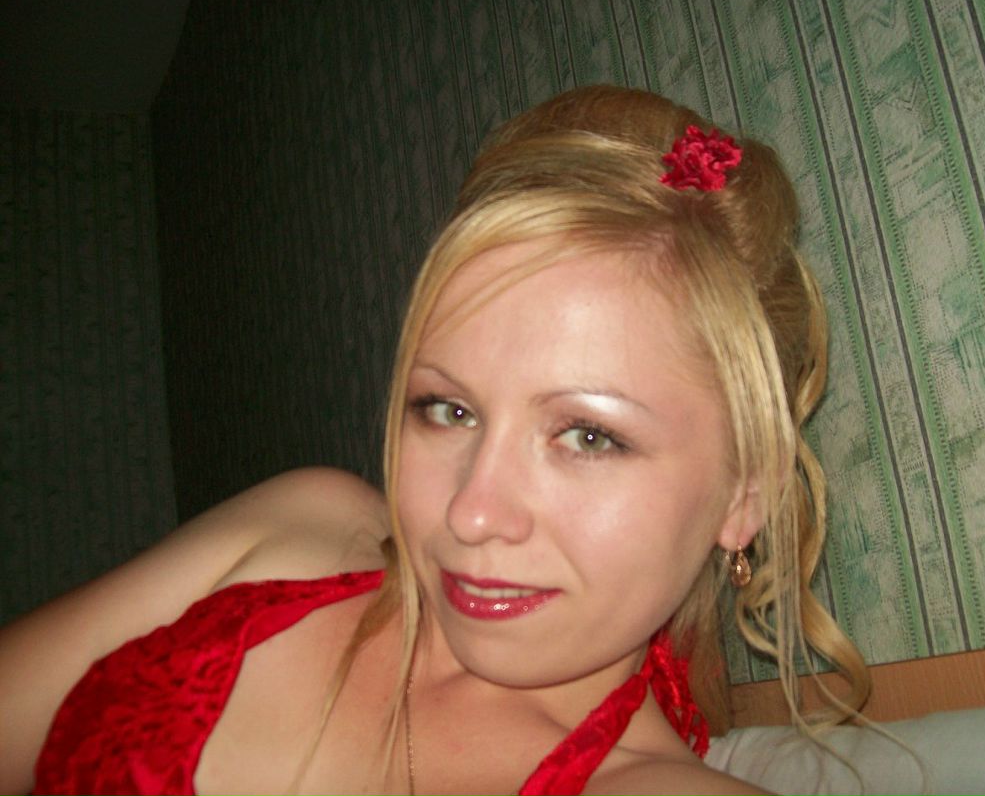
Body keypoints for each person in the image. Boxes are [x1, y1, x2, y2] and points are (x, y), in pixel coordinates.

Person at [0, 85, 869, 795]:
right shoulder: (299, 530)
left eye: (589, 436)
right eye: (448, 410)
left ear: (744, 495)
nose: (471, 513)